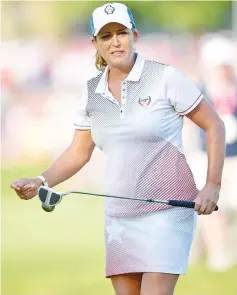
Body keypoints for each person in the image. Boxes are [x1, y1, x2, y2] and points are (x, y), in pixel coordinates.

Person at [11, 3, 226, 295]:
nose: (115, 41)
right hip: (120, 216)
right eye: (106, 35)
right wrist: (40, 181)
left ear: (134, 34)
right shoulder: (91, 92)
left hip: (168, 210)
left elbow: (214, 125)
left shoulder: (165, 77)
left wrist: (212, 185)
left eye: (121, 33)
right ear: (95, 43)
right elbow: (78, 152)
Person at [189, 37, 237, 271]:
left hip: (233, 158)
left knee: (230, 208)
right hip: (204, 157)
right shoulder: (199, 91)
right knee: (211, 208)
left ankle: (200, 243)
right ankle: (219, 256)